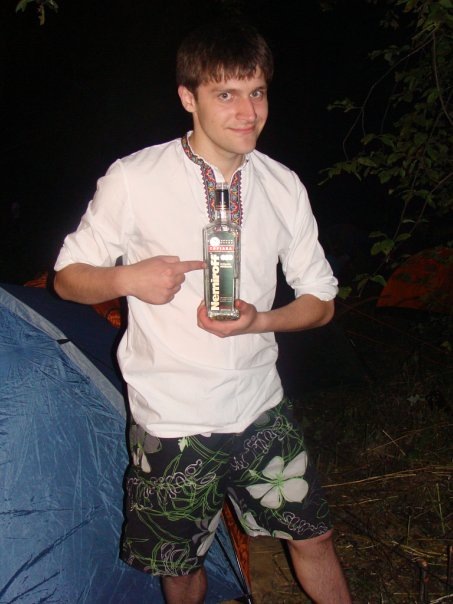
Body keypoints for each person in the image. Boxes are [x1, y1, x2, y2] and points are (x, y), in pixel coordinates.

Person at [54, 20, 352, 604]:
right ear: (188, 98)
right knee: (182, 565)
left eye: (257, 92)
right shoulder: (135, 179)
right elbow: (67, 279)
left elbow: (321, 302)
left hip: (260, 407)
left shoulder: (282, 185)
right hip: (173, 418)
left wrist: (260, 320)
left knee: (315, 536)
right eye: (226, 94)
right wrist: (126, 278)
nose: (248, 112)